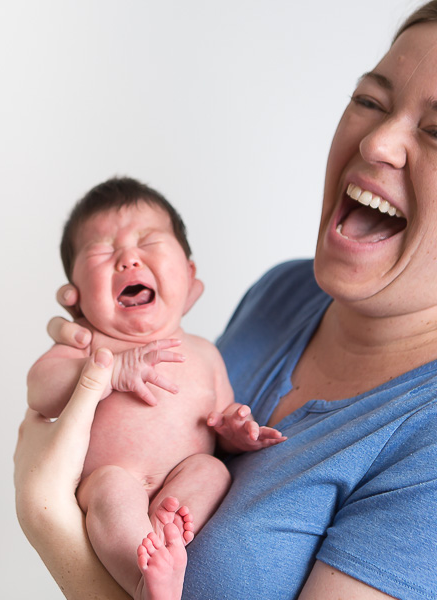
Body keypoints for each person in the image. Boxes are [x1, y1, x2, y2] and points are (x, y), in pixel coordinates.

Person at [14, 0, 437, 598]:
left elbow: (76, 514)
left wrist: (51, 523)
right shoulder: (283, 295)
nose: (376, 143)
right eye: (370, 100)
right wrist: (101, 356)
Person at [25, 177, 285, 600]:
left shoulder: (204, 354)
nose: (128, 258)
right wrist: (107, 373)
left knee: (212, 470)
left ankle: (169, 539)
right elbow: (39, 391)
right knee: (112, 487)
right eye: (102, 250)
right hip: (108, 486)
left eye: (148, 242)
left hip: (180, 483)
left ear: (188, 274)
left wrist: (235, 429)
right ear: (74, 297)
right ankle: (144, 581)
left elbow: (218, 422)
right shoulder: (88, 344)